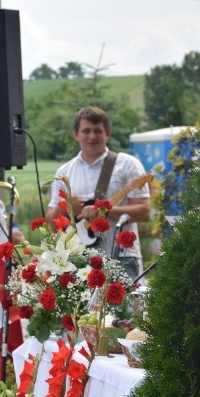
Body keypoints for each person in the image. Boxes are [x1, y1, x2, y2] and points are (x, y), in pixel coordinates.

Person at [46, 106, 151, 277]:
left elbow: (144, 212)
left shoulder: (128, 165)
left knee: (124, 305)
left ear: (108, 132)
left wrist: (106, 209)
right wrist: (66, 205)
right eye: (86, 131)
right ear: (75, 134)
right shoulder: (64, 172)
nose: (92, 136)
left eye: (98, 131)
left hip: (121, 256)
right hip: (77, 259)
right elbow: (51, 222)